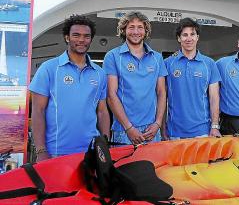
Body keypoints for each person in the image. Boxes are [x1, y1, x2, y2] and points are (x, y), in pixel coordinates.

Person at [29, 15, 110, 161]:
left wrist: (105, 146)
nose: (81, 40)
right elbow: (38, 110)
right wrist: (41, 150)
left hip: (90, 151)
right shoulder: (49, 68)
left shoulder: (100, 73)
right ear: (67, 37)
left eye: (86, 36)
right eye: (76, 35)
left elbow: (102, 112)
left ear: (91, 39)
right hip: (55, 151)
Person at [103, 12, 167, 145]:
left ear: (146, 31)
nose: (136, 31)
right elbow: (111, 95)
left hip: (152, 130)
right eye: (131, 27)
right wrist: (129, 128)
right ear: (124, 30)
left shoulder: (157, 58)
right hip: (124, 131)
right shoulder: (113, 56)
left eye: (140, 27)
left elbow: (161, 92)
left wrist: (158, 123)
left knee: (154, 166)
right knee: (125, 167)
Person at [163, 18, 221, 139]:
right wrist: (162, 127)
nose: (189, 38)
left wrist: (215, 126)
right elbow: (162, 98)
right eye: (185, 35)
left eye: (192, 34)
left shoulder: (209, 64)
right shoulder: (168, 63)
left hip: (203, 131)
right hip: (174, 132)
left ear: (197, 37)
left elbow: (214, 97)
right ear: (179, 38)